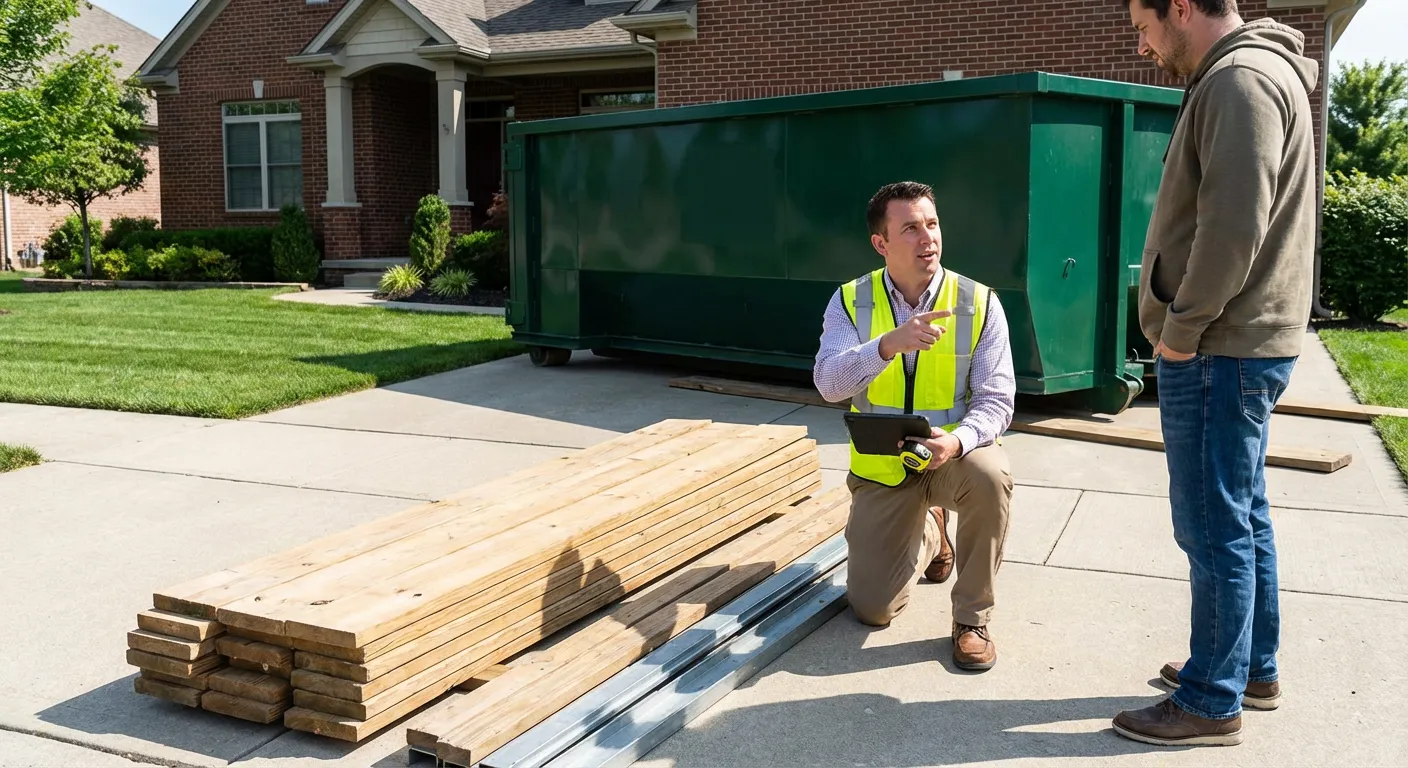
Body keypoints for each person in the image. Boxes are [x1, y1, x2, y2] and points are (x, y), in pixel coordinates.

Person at [1113, 0, 1320, 748]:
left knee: (1212, 525)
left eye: (1142, 26)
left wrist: (1181, 331)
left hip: (1219, 344)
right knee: (1240, 510)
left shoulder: (1241, 80)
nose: (1141, 46)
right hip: (1237, 342)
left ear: (1179, 8)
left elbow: (1233, 226)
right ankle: (1247, 666)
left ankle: (1210, 699)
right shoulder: (1253, 74)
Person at [813, 180, 1015, 671]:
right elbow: (828, 383)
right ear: (881, 243)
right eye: (910, 228)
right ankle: (931, 530)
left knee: (992, 477)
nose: (928, 238)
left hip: (951, 457)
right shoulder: (850, 301)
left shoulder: (980, 302)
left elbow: (997, 400)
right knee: (872, 610)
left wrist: (960, 440)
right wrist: (886, 345)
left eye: (932, 224)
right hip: (883, 467)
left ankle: (972, 619)